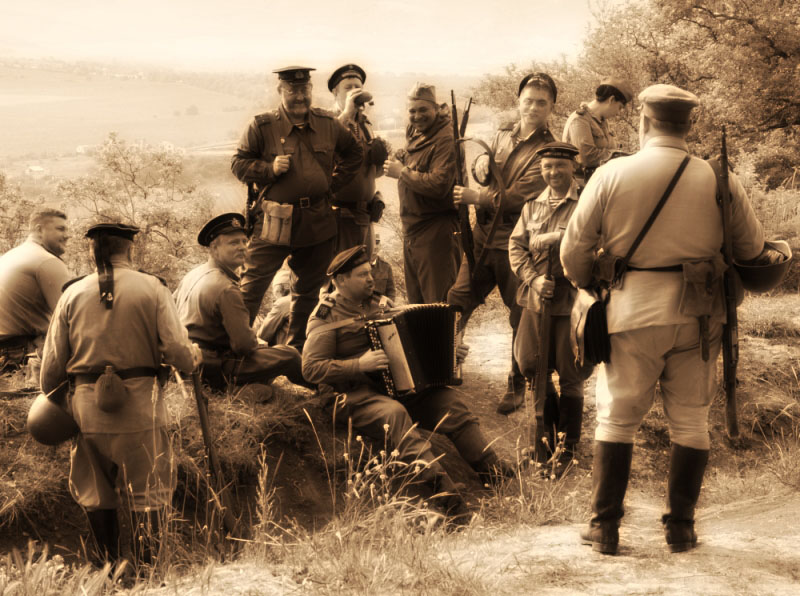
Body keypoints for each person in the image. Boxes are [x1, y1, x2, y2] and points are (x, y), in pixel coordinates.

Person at [561, 84, 768, 555]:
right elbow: (753, 249)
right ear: (688, 125)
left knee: (617, 419)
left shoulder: (612, 173)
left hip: (631, 312)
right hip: (700, 316)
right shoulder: (719, 178)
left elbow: (573, 253)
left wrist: (589, 281)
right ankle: (681, 528)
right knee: (691, 420)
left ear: (644, 121)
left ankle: (605, 527)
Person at [302, 246, 514, 518]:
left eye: (370, 273)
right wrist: (359, 365)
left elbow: (409, 344)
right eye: (362, 275)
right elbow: (310, 369)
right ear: (341, 281)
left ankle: (494, 474)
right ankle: (447, 497)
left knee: (451, 404)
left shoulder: (380, 305)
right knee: (395, 414)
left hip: (395, 386)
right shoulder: (325, 315)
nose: (370, 279)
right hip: (351, 395)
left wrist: (449, 352)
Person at [40, 222, 201, 568]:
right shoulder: (153, 288)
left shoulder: (71, 294)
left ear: (92, 251)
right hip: (141, 407)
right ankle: (149, 575)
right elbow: (178, 352)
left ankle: (109, 571)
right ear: (129, 249)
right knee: (149, 492)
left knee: (95, 493)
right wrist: (193, 358)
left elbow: (50, 373)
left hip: (86, 410)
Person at [447, 72, 559, 416]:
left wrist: (476, 196)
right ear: (518, 101)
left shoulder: (549, 150)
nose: (533, 107)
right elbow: (483, 165)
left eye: (541, 102)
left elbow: (516, 198)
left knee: (519, 316)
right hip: (482, 239)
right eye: (528, 100)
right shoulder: (502, 134)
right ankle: (447, 366)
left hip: (517, 242)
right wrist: (480, 163)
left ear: (552, 106)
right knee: (457, 301)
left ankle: (516, 382)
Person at [231, 66, 363, 351]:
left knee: (307, 294)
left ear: (311, 90)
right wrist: (268, 169)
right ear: (281, 91)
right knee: (251, 288)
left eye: (304, 90)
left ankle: (297, 355)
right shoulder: (262, 126)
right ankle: (231, 352)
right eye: (292, 90)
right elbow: (238, 164)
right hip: (275, 221)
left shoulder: (328, 123)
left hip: (317, 220)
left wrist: (331, 186)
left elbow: (354, 153)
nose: (300, 96)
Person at [508, 142, 592, 473]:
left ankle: (568, 448)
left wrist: (558, 237)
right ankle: (545, 441)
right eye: (547, 167)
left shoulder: (586, 203)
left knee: (571, 373)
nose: (553, 172)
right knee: (531, 364)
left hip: (572, 300)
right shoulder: (531, 206)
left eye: (560, 165)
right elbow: (516, 247)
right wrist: (533, 279)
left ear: (573, 167)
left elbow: (596, 241)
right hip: (537, 300)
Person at [174, 213, 305, 390]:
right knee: (290, 355)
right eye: (234, 243)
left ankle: (253, 387)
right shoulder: (226, 288)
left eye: (245, 242)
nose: (243, 248)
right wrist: (256, 342)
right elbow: (244, 346)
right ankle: (325, 389)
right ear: (214, 248)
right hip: (215, 369)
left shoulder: (193, 274)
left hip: (187, 363)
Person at [383, 83, 459, 304]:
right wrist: (402, 157)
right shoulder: (416, 131)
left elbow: (439, 185)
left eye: (423, 109)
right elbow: (416, 156)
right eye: (412, 111)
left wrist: (402, 172)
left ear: (436, 108)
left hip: (436, 232)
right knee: (417, 307)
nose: (417, 116)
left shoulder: (446, 138)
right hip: (413, 230)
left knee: (439, 306)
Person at [327, 63, 389, 258]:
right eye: (348, 87)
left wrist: (382, 162)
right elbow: (325, 149)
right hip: (340, 216)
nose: (354, 92)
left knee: (364, 269)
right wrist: (346, 114)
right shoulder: (328, 121)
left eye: (358, 87)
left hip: (365, 216)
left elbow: (370, 172)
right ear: (335, 92)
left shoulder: (365, 124)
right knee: (343, 271)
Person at [0, 208, 70, 377]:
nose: (67, 235)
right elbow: (70, 318)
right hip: (24, 354)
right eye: (60, 229)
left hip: (5, 352)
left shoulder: (9, 256)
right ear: (40, 230)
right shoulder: (46, 261)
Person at [562, 77, 634, 182]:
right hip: (582, 184)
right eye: (619, 107)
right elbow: (587, 157)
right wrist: (621, 156)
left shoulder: (602, 122)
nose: (618, 113)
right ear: (611, 100)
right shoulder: (579, 120)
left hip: (600, 180)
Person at [257, 264, 292, 346]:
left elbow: (262, 335)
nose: (275, 295)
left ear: (283, 287)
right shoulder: (301, 301)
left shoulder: (283, 303)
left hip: (285, 349)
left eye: (276, 291)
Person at [370, 233, 396, 302]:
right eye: (372, 243)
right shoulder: (359, 265)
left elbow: (391, 291)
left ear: (380, 246)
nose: (375, 246)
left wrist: (388, 304)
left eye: (377, 243)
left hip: (380, 305)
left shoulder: (386, 266)